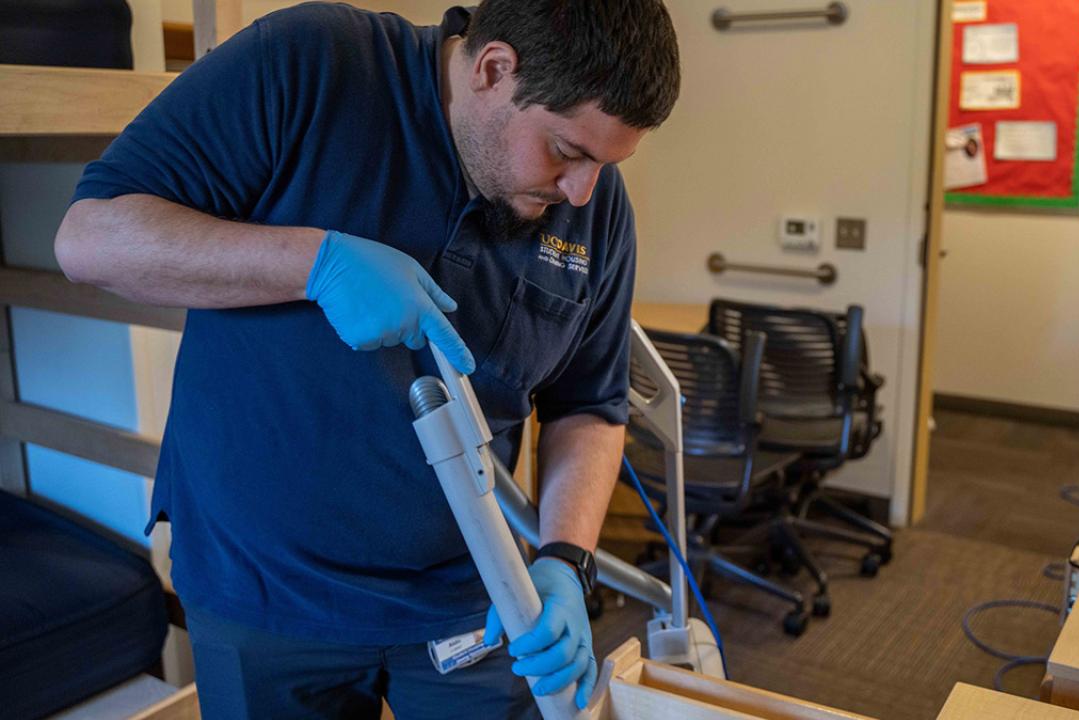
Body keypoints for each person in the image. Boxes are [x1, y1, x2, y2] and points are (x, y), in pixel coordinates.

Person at [53, 1, 680, 717]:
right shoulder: (312, 65)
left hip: (474, 592)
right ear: (493, 70)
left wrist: (566, 559)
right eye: (568, 152)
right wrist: (312, 263)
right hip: (266, 586)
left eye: (606, 163)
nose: (582, 191)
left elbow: (588, 407)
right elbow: (89, 240)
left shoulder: (594, 209)